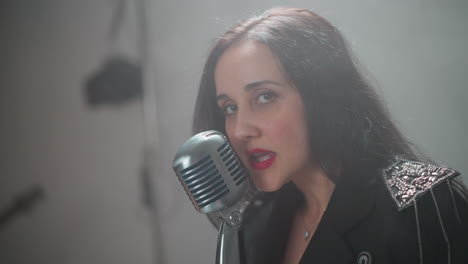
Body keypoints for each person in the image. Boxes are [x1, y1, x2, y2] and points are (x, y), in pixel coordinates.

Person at [192, 7, 468, 264]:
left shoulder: (421, 203)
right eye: (229, 108)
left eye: (265, 97)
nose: (240, 131)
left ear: (320, 96)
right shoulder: (252, 227)